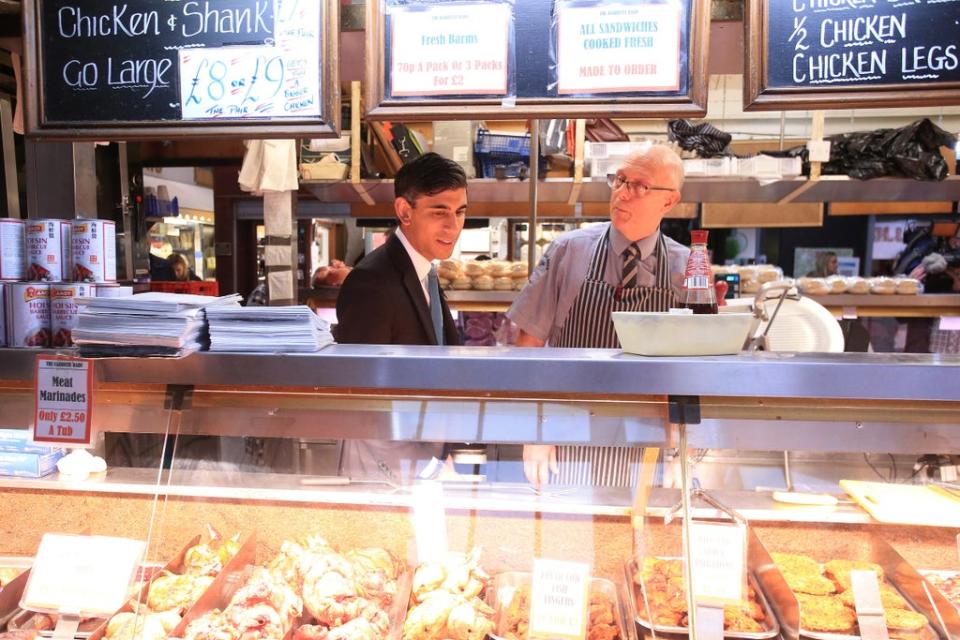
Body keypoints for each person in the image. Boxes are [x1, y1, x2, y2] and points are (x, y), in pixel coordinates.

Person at [507, 145, 690, 488]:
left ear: (669, 201)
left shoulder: (687, 268)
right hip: (568, 436)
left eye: (639, 186)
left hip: (649, 444)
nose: (622, 193)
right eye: (619, 180)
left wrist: (683, 450)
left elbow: (691, 372)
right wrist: (535, 431)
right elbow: (528, 347)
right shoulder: (568, 252)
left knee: (640, 536)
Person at [336, 152, 467, 482]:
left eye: (460, 212)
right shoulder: (372, 281)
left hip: (423, 463)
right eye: (440, 212)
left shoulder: (425, 273)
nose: (454, 226)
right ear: (404, 211)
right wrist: (425, 467)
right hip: (384, 475)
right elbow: (362, 399)